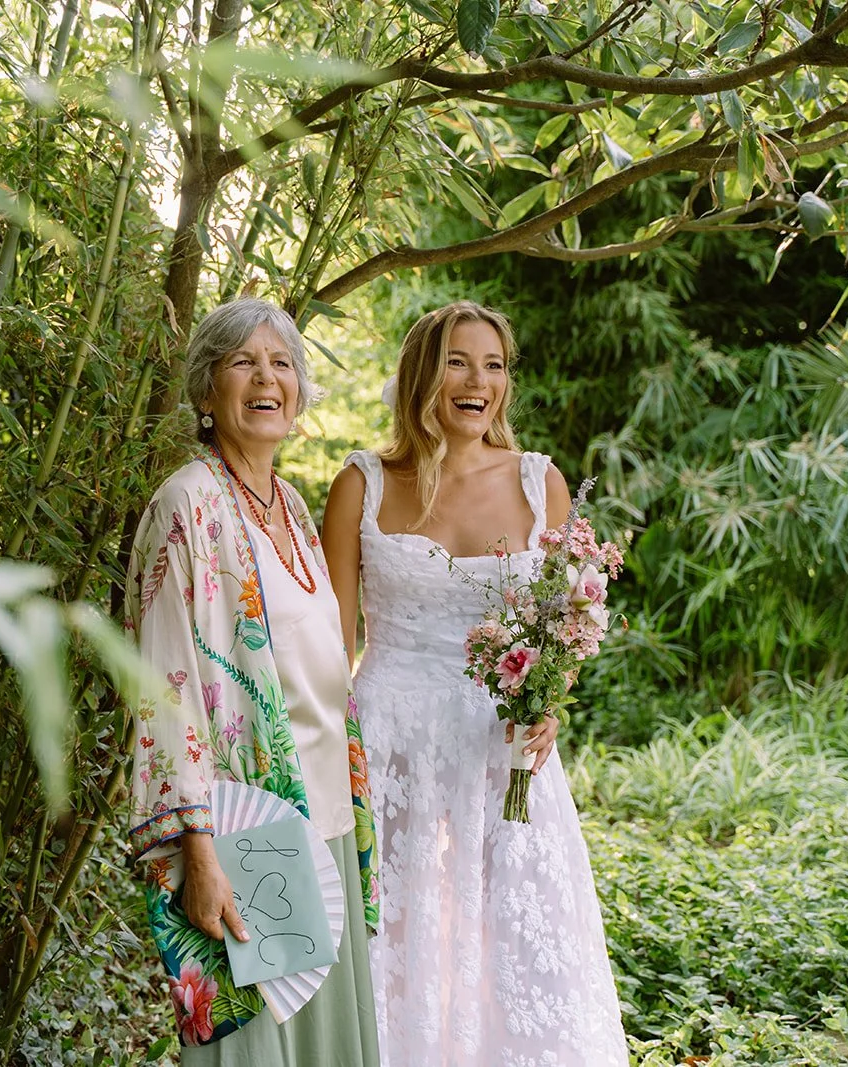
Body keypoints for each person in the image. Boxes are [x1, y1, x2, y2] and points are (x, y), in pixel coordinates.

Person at [322, 300, 628, 1065]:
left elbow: (560, 624)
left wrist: (550, 702)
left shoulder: (539, 483)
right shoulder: (361, 483)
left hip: (504, 752)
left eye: (493, 365)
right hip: (389, 745)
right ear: (423, 373)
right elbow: (331, 648)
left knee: (514, 940)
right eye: (458, 361)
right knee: (397, 938)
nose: (477, 381)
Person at [125, 298, 381, 1064]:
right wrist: (197, 853)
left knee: (323, 1044)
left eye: (282, 364)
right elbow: (161, 690)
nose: (267, 378)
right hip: (246, 830)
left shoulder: (292, 507)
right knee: (257, 1050)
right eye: (244, 362)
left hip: (324, 819)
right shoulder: (186, 505)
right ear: (207, 392)